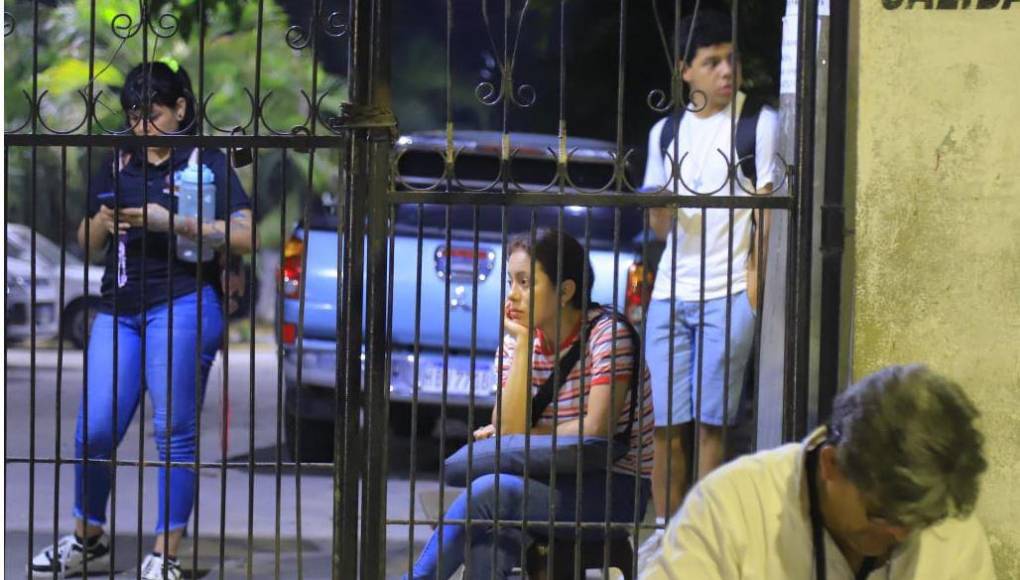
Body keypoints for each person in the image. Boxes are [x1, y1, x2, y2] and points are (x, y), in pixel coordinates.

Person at [30, 61, 255, 579]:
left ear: (180, 109)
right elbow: (86, 244)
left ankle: (165, 554)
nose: (142, 127)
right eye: (134, 116)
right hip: (119, 306)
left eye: (152, 115)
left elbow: (245, 235)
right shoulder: (118, 160)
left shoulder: (207, 162)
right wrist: (101, 223)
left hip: (183, 301)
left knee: (173, 432)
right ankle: (88, 541)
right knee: (95, 430)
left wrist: (173, 222)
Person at [406, 229, 655, 580]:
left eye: (525, 282)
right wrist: (523, 343)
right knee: (489, 536)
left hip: (612, 489)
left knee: (488, 492)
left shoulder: (609, 336)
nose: (512, 295)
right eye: (510, 281)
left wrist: (524, 434)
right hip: (540, 479)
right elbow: (508, 428)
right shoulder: (516, 344)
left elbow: (595, 430)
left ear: (566, 291)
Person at [640, 365, 996, 579]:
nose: (901, 534)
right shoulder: (732, 507)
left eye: (918, 522)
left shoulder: (950, 528)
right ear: (831, 464)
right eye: (881, 515)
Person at [640, 10, 780, 535]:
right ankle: (663, 535)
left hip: (728, 292)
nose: (726, 71)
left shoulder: (757, 124)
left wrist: (755, 284)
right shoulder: (667, 131)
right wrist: (661, 205)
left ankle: (703, 539)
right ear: (686, 70)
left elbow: (769, 209)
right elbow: (659, 230)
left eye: (731, 60)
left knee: (712, 424)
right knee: (665, 427)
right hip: (671, 292)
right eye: (712, 62)